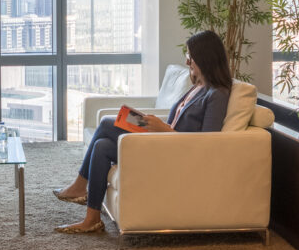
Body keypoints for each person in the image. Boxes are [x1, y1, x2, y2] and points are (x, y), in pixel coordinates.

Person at [51, 30, 233, 234]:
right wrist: (154, 124)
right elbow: (177, 123)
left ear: (205, 58)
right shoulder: (198, 87)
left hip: (175, 153)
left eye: (191, 57)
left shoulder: (217, 94)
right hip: (163, 142)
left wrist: (164, 130)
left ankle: (79, 185)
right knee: (102, 146)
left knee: (105, 124)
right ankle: (92, 218)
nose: (187, 62)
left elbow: (207, 143)